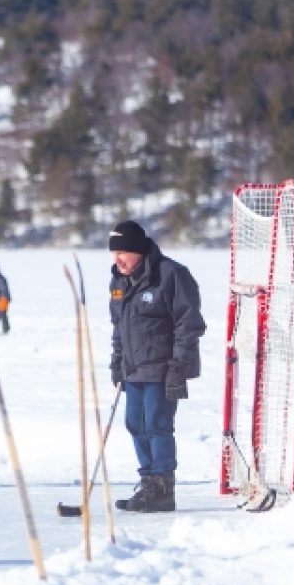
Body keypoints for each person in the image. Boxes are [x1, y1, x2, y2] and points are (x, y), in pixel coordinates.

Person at [108, 220, 205, 513]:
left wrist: (179, 366)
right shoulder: (118, 281)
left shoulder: (172, 275)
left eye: (123, 252)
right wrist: (116, 363)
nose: (117, 259)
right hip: (133, 369)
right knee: (135, 424)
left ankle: (163, 488)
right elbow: (119, 326)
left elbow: (189, 325)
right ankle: (148, 482)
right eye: (113, 253)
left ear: (138, 250)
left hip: (163, 369)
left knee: (157, 426)